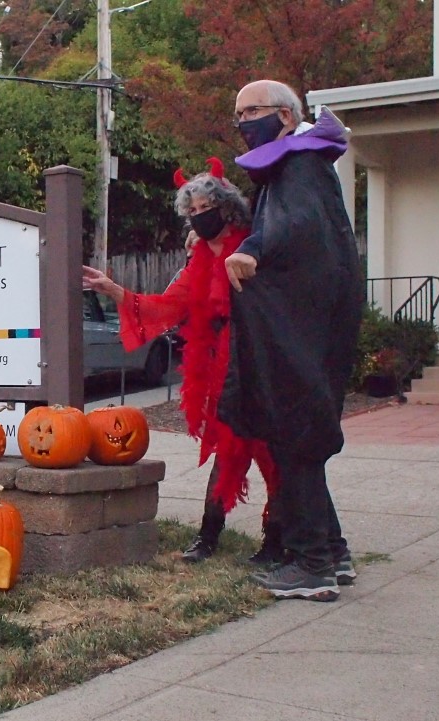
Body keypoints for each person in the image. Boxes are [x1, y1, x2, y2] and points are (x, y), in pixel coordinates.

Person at [82, 159, 283, 565]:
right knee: (226, 444)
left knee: (270, 451)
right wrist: (113, 290)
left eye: (204, 208)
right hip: (218, 367)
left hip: (257, 361)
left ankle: (277, 537)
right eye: (191, 212)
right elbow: (167, 306)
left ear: (226, 208)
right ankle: (209, 534)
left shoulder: (250, 245)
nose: (197, 217)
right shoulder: (198, 262)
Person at [219, 80, 364, 602]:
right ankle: (334, 551)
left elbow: (297, 225)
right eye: (237, 113)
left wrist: (254, 249)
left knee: (297, 437)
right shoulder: (300, 164)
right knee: (301, 438)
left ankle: (312, 566)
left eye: (251, 111)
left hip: (304, 328)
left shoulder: (299, 166)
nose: (242, 122)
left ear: (284, 117)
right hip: (315, 322)